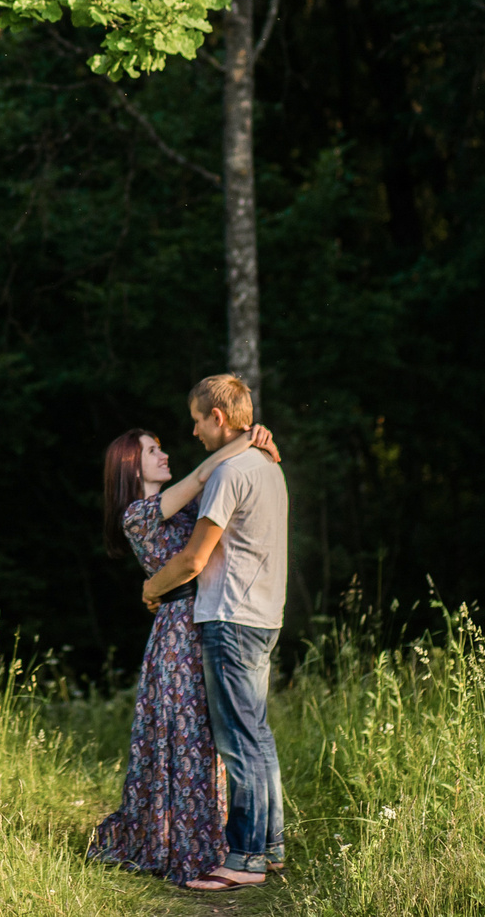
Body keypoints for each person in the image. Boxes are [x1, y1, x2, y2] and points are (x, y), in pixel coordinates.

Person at [88, 416, 280, 889]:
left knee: (216, 737)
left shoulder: (185, 502)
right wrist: (240, 440)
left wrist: (256, 442)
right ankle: (185, 839)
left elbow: (223, 487)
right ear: (132, 467)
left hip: (211, 616)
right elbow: (203, 475)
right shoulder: (138, 511)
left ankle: (227, 839)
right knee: (188, 733)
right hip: (179, 631)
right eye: (153, 451)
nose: (165, 454)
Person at [144, 372, 290, 890]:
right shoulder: (269, 466)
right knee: (258, 735)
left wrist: (152, 588)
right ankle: (268, 846)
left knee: (237, 743)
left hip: (229, 617)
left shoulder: (231, 475)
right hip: (264, 615)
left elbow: (193, 559)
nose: (195, 433)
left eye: (198, 422)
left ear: (219, 418)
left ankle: (244, 859)